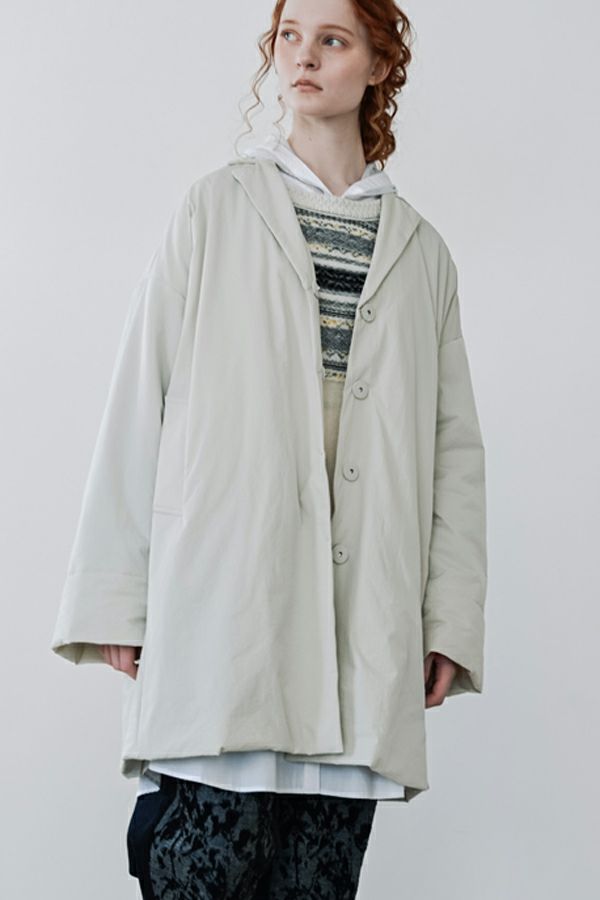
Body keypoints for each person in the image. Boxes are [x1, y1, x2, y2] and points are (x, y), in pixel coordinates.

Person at [51, 0, 487, 897]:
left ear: (379, 65)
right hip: (226, 612)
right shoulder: (215, 209)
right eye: (290, 36)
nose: (303, 56)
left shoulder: (423, 253)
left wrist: (448, 619)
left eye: (332, 39)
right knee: (195, 867)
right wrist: (116, 601)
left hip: (360, 628)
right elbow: (140, 396)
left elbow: (455, 453)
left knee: (320, 880)